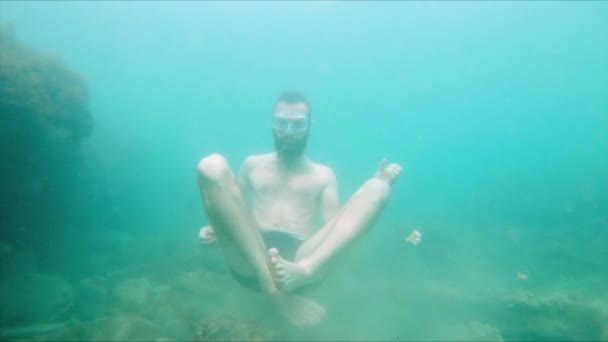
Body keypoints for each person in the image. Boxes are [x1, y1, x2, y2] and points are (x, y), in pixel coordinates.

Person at [196, 91, 402, 326]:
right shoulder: (252, 164)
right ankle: (271, 289)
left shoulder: (323, 175)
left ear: (309, 126)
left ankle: (307, 270)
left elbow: (336, 227)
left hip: (302, 262)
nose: (289, 132)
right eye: (282, 123)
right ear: (272, 123)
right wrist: (214, 228)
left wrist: (366, 194)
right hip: (252, 254)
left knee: (379, 188)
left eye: (298, 124)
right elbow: (233, 209)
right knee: (210, 165)